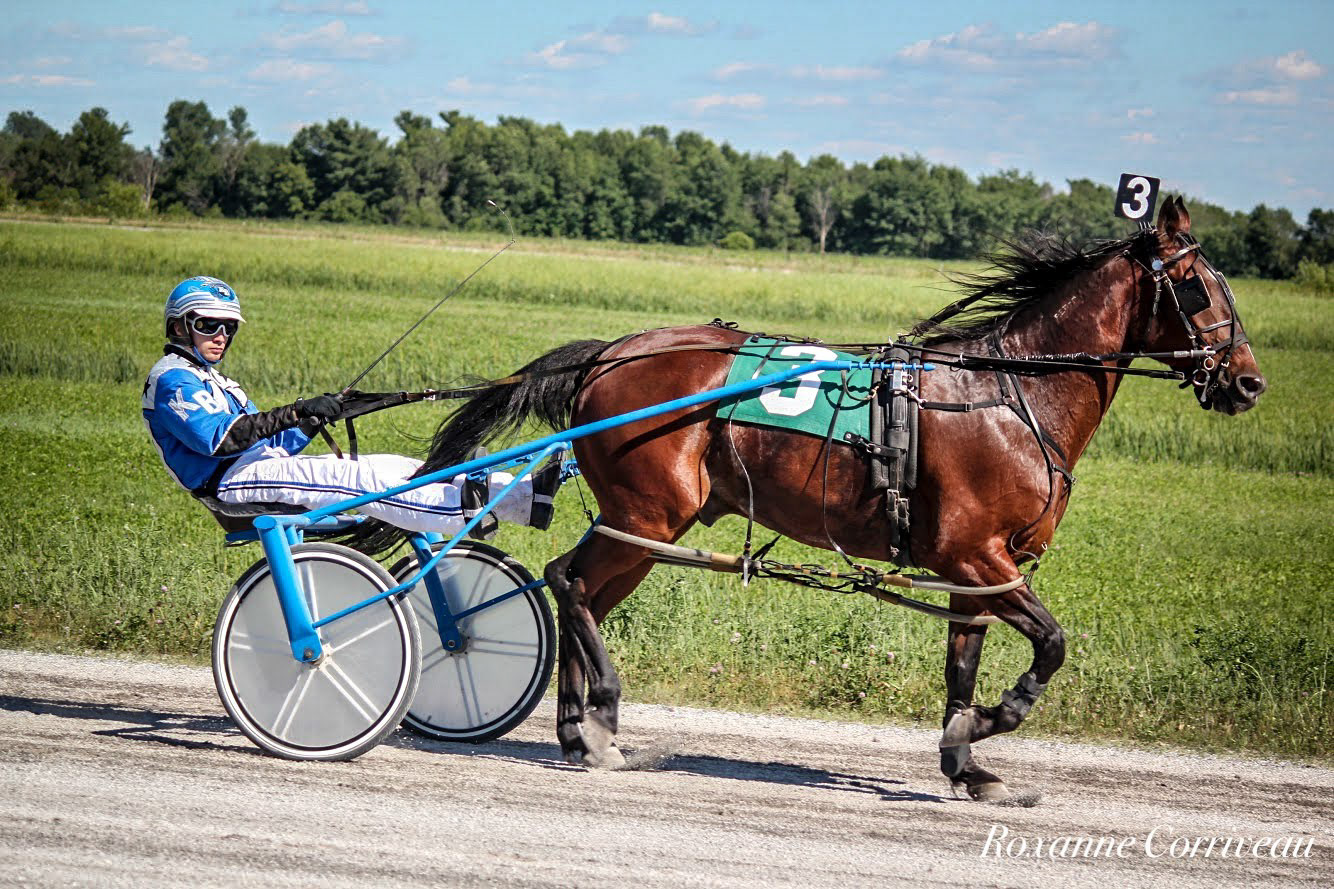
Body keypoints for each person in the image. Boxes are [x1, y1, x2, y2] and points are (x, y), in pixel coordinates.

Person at [141, 275, 562, 534]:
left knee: (396, 466)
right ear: (179, 326)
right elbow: (219, 440)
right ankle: (458, 512)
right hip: (229, 483)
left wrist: (315, 418)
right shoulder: (172, 379)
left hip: (256, 468)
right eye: (208, 324)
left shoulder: (216, 381)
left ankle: (524, 497)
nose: (220, 335)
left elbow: (274, 445)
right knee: (352, 479)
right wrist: (297, 410)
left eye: (228, 327)